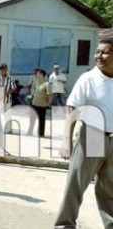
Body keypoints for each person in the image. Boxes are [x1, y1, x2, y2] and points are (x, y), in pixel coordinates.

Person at [55, 38, 113, 228]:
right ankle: (65, 225)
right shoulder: (88, 78)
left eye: (105, 52)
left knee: (109, 190)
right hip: (92, 136)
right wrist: (66, 141)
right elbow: (72, 110)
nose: (99, 56)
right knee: (76, 185)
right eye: (97, 52)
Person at [27, 69, 51, 137]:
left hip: (42, 105)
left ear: (42, 75)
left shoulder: (47, 84)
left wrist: (47, 103)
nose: (36, 74)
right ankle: (30, 132)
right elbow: (32, 92)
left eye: (38, 73)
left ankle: (41, 133)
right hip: (34, 103)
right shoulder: (35, 82)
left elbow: (49, 95)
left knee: (41, 120)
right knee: (32, 118)